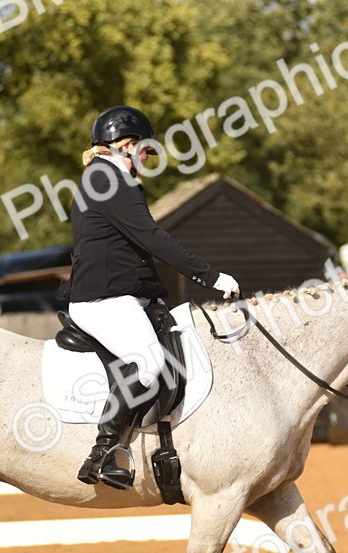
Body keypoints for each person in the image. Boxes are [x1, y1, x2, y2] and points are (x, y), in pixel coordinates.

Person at [68, 105, 241, 488]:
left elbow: (131, 251)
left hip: (123, 294)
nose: (147, 159)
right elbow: (153, 239)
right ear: (126, 146)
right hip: (104, 300)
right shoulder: (107, 179)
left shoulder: (106, 179)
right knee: (146, 362)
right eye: (145, 151)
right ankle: (104, 450)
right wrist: (210, 276)